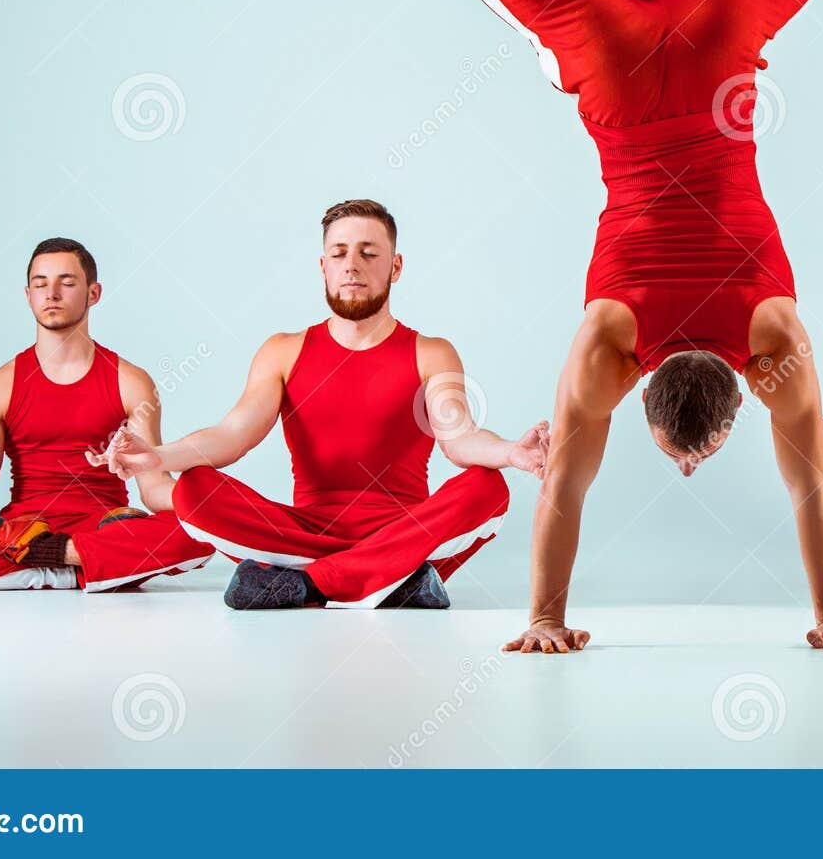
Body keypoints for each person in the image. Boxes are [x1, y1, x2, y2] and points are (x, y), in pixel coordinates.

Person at [434, 0, 823, 652]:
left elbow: (812, 489)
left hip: (719, 49)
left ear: (740, 396)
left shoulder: (774, 338)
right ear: (640, 388)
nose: (689, 469)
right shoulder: (608, 348)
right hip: (613, 71)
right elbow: (564, 492)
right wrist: (544, 620)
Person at [96, 199, 549, 610]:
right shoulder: (283, 350)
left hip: (402, 531)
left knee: (487, 489)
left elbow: (461, 438)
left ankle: (307, 584)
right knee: (192, 489)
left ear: (395, 266)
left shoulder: (430, 352)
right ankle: (392, 582)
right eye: (339, 253)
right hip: (306, 531)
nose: (352, 265)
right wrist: (158, 456)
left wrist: (511, 453)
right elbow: (233, 434)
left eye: (369, 253)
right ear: (323, 266)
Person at [0, 237, 214, 591]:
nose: (51, 293)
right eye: (40, 284)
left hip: (104, 525)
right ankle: (85, 567)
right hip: (21, 527)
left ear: (93, 293)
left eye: (67, 283)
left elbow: (153, 485)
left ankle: (42, 561)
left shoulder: (131, 382)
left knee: (197, 535)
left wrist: (201, 507)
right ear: (28, 295)